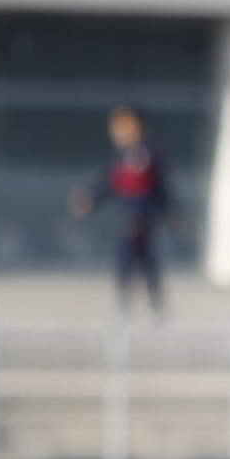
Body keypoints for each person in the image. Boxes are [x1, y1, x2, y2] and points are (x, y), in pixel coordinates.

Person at [69, 106, 174, 318]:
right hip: (125, 214)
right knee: (126, 257)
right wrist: (89, 199)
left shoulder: (150, 155)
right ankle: (126, 301)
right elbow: (108, 185)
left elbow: (160, 188)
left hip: (143, 213)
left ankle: (155, 302)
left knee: (144, 257)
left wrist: (169, 212)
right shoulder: (118, 157)